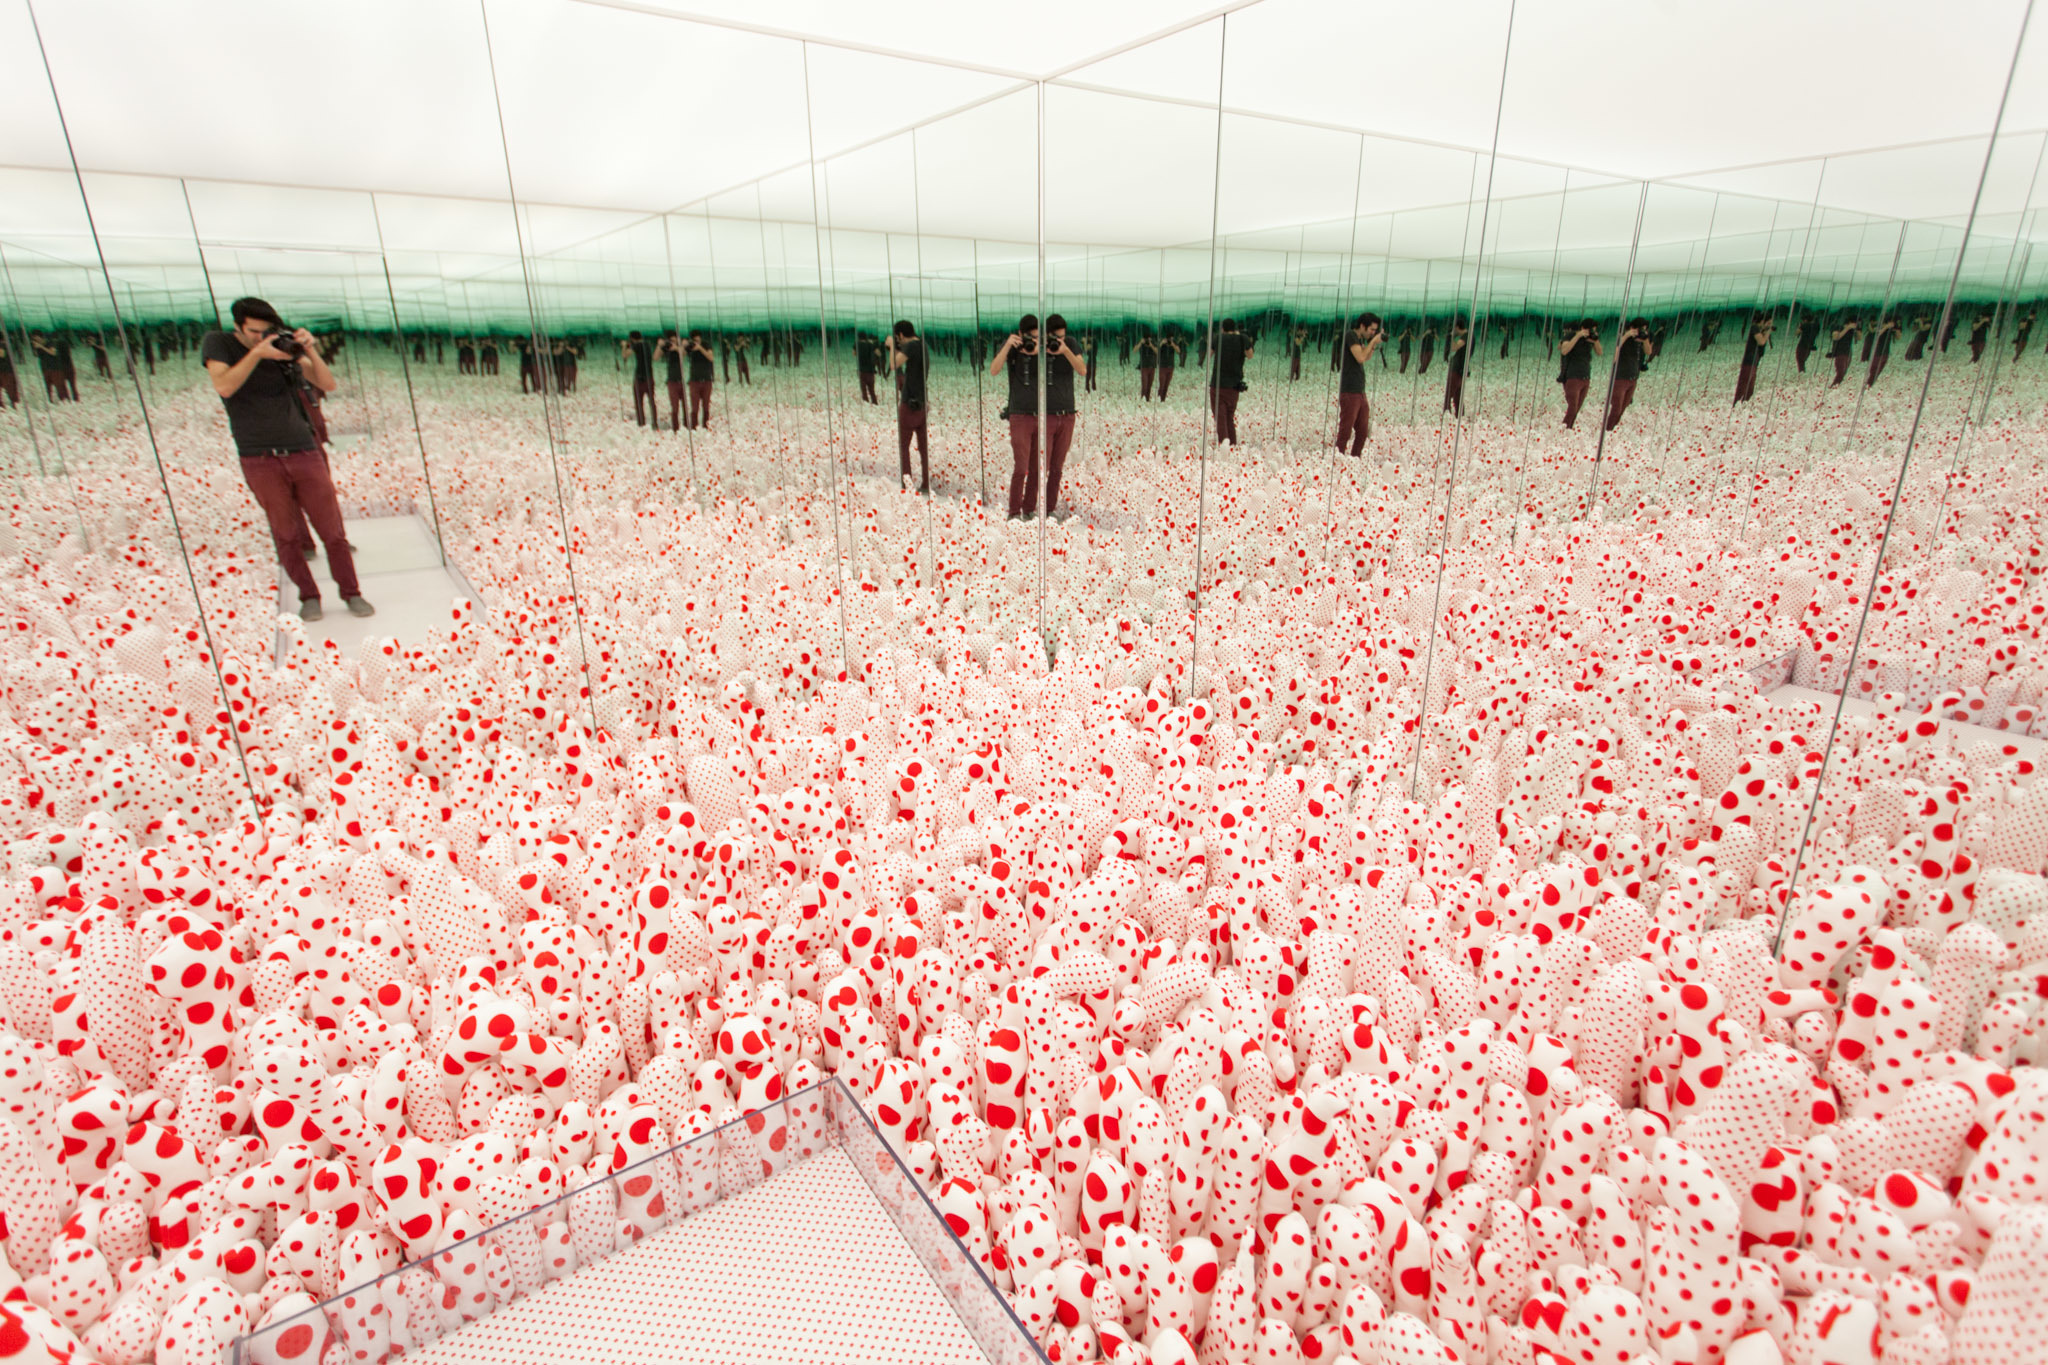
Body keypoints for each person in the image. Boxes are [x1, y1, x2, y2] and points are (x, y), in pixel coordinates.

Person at [201, 297, 372, 622]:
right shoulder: (219, 343)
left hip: (303, 451)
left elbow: (327, 383)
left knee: (332, 530)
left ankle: (352, 593)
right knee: (286, 533)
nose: (262, 337)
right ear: (238, 326)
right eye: (254, 332)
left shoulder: (284, 349)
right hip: (258, 456)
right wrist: (256, 354)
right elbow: (224, 386)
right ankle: (309, 596)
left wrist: (308, 350)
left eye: (268, 332)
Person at [1332, 313, 1383, 458]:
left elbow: (1366, 357)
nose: (1373, 333)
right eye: (1371, 330)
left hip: (1360, 391)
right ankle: (1338, 459)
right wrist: (1373, 342)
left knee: (1362, 431)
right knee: (1346, 431)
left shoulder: (1360, 339)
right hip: (1350, 391)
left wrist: (1372, 344)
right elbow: (1360, 357)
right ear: (1362, 326)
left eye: (1375, 330)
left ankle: (1355, 459)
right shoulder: (1350, 336)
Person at [887, 319, 929, 493]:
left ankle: (907, 483)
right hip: (922, 402)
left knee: (904, 446)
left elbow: (893, 365)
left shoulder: (910, 347)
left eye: (898, 338)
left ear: (901, 335)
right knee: (923, 446)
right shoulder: (923, 345)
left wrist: (891, 347)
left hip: (909, 403)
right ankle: (926, 483)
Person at [1208, 319, 1252, 446]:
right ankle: (1232, 445)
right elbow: (1250, 355)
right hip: (1234, 385)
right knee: (1229, 417)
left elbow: (1209, 355)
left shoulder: (1218, 338)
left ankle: (1224, 447)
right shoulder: (1242, 338)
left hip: (1218, 384)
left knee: (1220, 418)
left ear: (1222, 328)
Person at [1606, 317, 1650, 430]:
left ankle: (1612, 429)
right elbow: (1614, 357)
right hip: (1620, 378)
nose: (1642, 332)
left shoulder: (1639, 343)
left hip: (1633, 379)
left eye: (1644, 330)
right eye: (1640, 330)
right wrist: (1626, 335)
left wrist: (1645, 339)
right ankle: (1608, 429)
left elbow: (1648, 351)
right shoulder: (1623, 339)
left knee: (1623, 407)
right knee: (1616, 408)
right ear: (1632, 328)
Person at [1558, 319, 1600, 428]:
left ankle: (1569, 429)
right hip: (1573, 377)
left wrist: (1595, 340)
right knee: (1573, 407)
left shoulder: (1590, 339)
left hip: (1586, 377)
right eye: (1590, 330)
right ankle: (1563, 429)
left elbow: (1600, 352)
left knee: (1576, 408)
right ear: (1583, 329)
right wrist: (1578, 336)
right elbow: (1564, 350)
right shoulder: (1571, 335)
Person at [1733, 311, 1772, 404]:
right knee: (1744, 384)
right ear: (1762, 321)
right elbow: (1761, 342)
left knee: (1750, 386)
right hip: (1749, 361)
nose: (1769, 325)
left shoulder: (1758, 329)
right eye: (1768, 323)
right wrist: (1767, 333)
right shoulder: (1754, 328)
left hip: (1754, 361)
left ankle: (1745, 403)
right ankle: (1737, 404)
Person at [684, 329, 715, 430]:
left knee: (706, 406)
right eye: (694, 340)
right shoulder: (690, 347)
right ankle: (694, 427)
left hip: (706, 380)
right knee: (695, 407)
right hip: (694, 381)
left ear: (700, 338)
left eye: (698, 340)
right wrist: (684, 346)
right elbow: (682, 354)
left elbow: (711, 357)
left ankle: (705, 426)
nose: (696, 342)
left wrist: (700, 348)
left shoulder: (706, 345)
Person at [624, 330, 656, 426]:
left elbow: (625, 355)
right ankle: (654, 422)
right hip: (649, 376)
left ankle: (641, 423)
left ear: (632, 339)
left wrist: (624, 346)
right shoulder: (647, 344)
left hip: (639, 377)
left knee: (639, 402)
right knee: (651, 401)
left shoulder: (636, 345)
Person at [660, 329, 687, 431]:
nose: (672, 342)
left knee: (685, 406)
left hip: (681, 381)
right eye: (670, 340)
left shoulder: (679, 348)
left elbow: (683, 353)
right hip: (671, 381)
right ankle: (675, 428)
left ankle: (686, 427)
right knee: (675, 407)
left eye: (674, 339)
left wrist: (677, 347)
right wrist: (660, 345)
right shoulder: (667, 349)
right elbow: (656, 357)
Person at [1441, 318, 1468, 415]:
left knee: (1449, 394)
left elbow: (1454, 347)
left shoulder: (1466, 336)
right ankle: (1460, 415)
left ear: (1457, 327)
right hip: (1461, 369)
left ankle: (1447, 415)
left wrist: (1452, 337)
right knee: (1457, 395)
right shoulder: (1468, 336)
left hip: (1457, 369)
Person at [1866, 317, 1900, 387]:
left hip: (1885, 352)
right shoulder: (1878, 327)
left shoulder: (1890, 329)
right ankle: (1869, 384)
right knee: (1873, 370)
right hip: (1877, 352)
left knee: (1878, 370)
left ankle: (1870, 384)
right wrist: (1886, 327)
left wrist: (1897, 329)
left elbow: (1898, 337)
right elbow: (1876, 335)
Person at [1828, 318, 1859, 387]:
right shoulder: (1838, 327)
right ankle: (1834, 385)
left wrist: (1858, 330)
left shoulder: (1852, 330)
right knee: (1840, 372)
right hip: (1840, 352)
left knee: (1843, 371)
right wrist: (1847, 328)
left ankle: (1836, 385)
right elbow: (1836, 337)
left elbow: (1859, 338)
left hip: (1848, 353)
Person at [856, 331, 881, 404]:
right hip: (871, 370)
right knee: (872, 389)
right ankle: (875, 402)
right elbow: (879, 353)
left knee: (863, 389)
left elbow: (854, 353)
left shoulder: (857, 344)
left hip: (862, 370)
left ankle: (866, 401)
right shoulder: (870, 344)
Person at [1156, 333, 1180, 400]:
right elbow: (1156, 351)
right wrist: (1161, 343)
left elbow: (1178, 351)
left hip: (1171, 366)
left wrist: (1173, 344)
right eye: (1169, 339)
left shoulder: (1174, 343)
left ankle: (1163, 399)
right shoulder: (1162, 344)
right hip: (1163, 366)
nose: (1170, 340)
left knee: (1166, 384)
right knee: (1162, 384)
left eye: (1172, 339)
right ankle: (1159, 397)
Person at [1136, 333, 1158, 400]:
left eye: (1149, 339)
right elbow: (1134, 350)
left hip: (1152, 366)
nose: (1148, 340)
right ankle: (1143, 398)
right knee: (1144, 384)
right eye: (1146, 339)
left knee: (1149, 385)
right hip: (1144, 366)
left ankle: (1147, 399)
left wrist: (1151, 345)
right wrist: (1140, 343)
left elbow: (1157, 352)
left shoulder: (1153, 343)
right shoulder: (1141, 344)